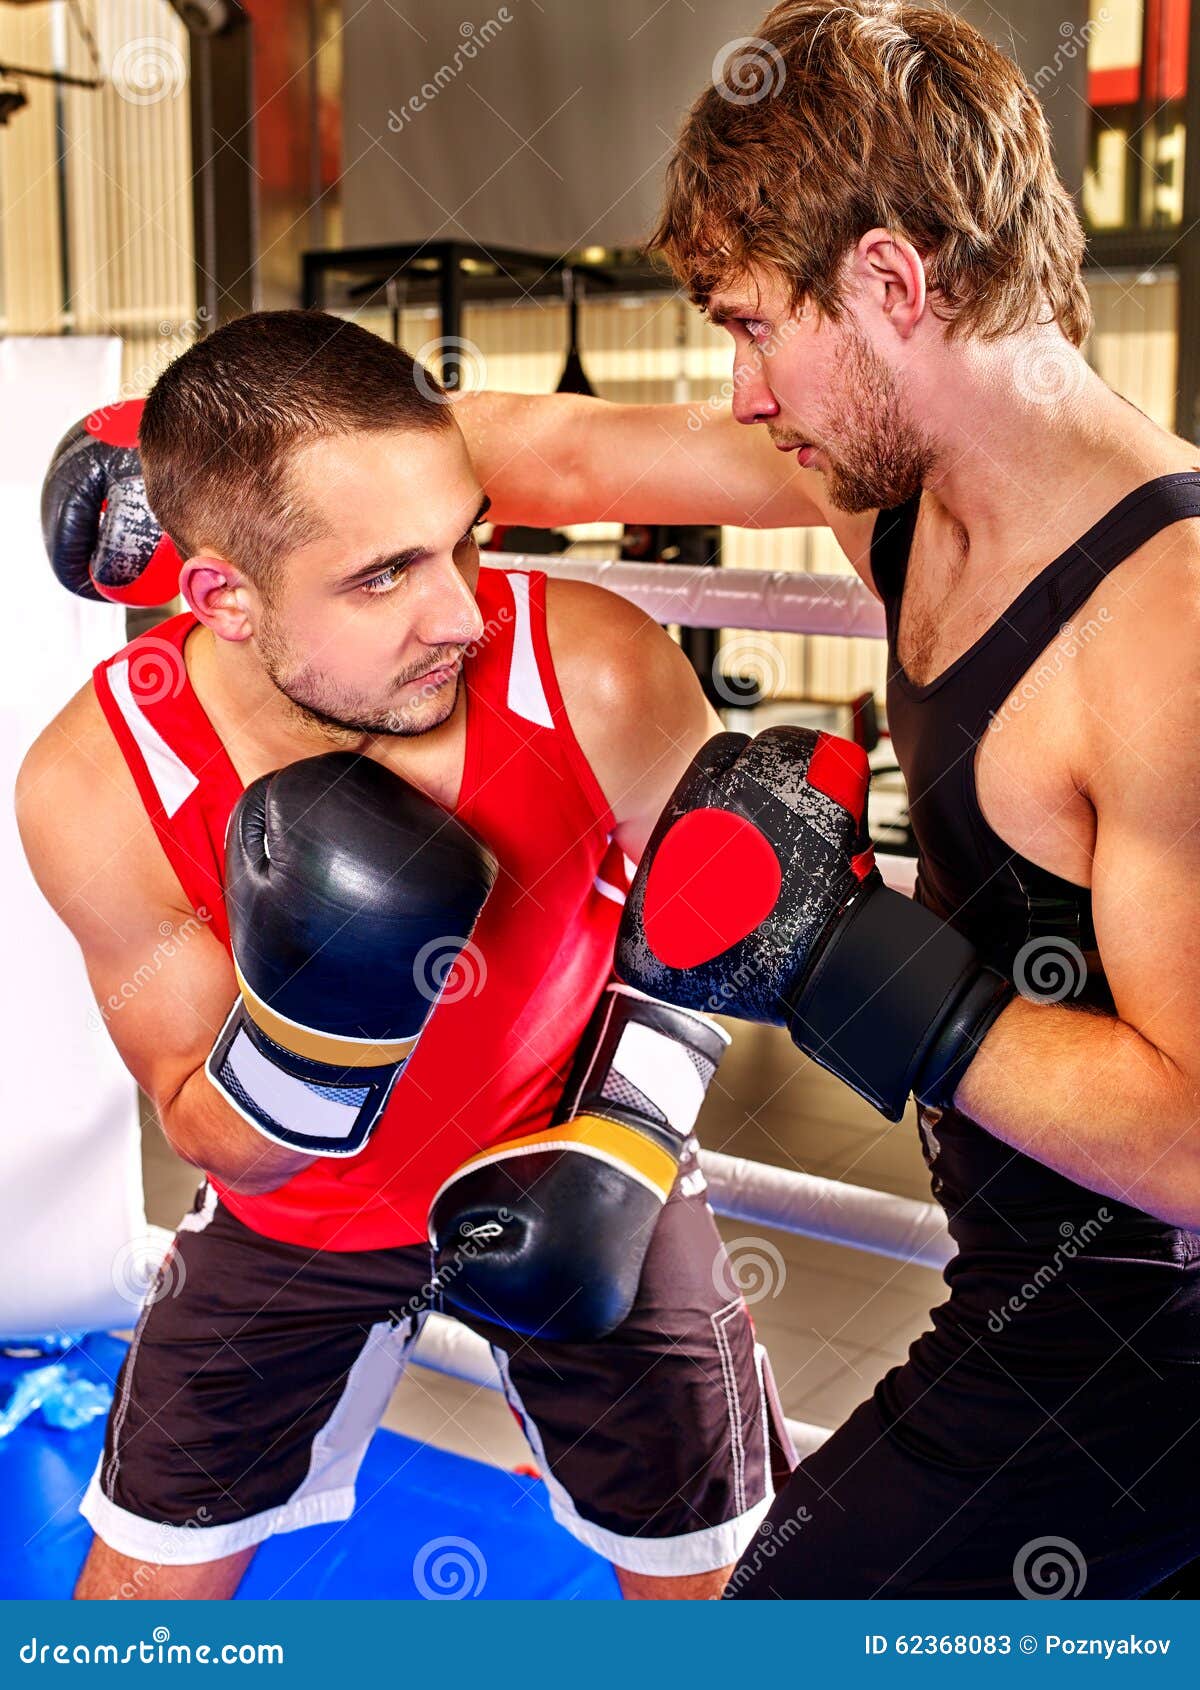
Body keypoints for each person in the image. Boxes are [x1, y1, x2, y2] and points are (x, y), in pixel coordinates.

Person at [19, 308, 798, 1602]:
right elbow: (205, 1122)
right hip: (295, 1218)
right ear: (219, 595)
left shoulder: (594, 670)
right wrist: (320, 1029)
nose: (460, 613)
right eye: (385, 576)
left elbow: (704, 951)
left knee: (720, 1590)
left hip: (576, 1156)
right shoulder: (99, 783)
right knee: (132, 1616)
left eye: (466, 541)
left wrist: (628, 1132)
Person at [611, 0, 1200, 1597]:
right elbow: (575, 453)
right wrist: (213, 475)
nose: (743, 393)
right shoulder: (906, 498)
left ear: (888, 281)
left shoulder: (1166, 621)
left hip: (1136, 1361)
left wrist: (843, 957)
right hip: (1029, 1291)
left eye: (752, 328)